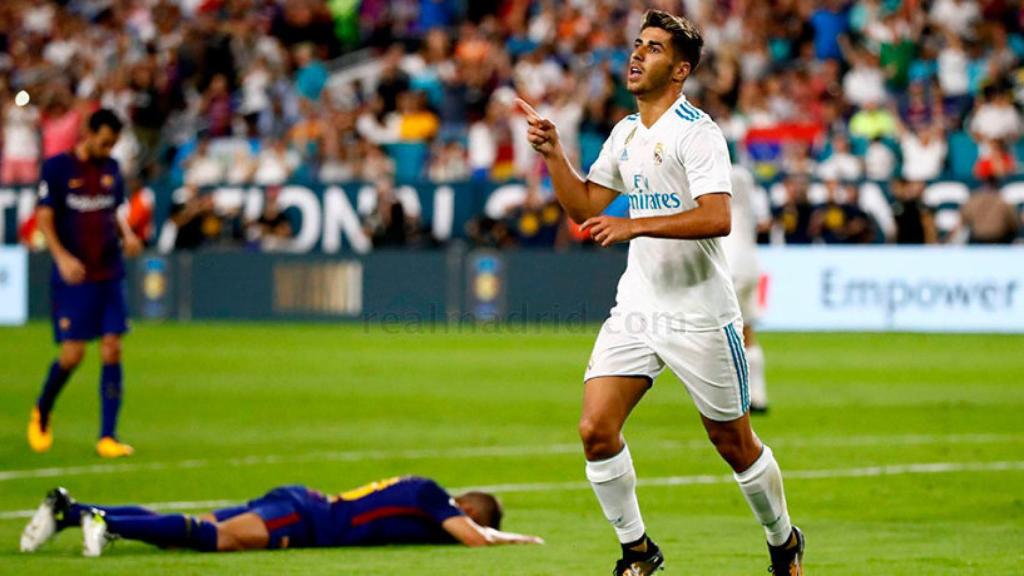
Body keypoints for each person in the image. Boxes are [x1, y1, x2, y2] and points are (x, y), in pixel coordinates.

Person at [518, 10, 803, 576]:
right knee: (595, 431)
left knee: (734, 443)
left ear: (680, 70)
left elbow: (717, 217)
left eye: (652, 49)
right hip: (639, 307)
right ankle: (638, 552)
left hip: (700, 314)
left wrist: (635, 224)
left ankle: (783, 538)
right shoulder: (625, 133)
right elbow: (582, 207)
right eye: (637, 44)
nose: (637, 55)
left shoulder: (697, 133)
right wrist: (553, 154)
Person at [20, 478, 543, 557]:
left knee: (192, 524)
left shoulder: (417, 490)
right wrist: (508, 537)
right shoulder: (435, 498)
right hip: (310, 519)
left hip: (301, 501)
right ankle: (109, 525)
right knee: (217, 540)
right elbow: (472, 540)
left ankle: (73, 512)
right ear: (471, 507)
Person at [27, 109, 142, 459]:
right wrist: (61, 257)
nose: (108, 149)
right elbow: (45, 218)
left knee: (112, 347)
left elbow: (113, 209)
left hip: (108, 270)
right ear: (88, 133)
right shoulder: (58, 168)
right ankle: (43, 409)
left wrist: (128, 233)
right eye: (104, 141)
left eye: (113, 144)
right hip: (75, 274)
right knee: (73, 354)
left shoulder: (110, 168)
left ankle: (107, 435)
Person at [721, 165, 769, 413]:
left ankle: (735, 398)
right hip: (750, 262)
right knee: (747, 330)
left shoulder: (720, 177)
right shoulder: (747, 182)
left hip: (730, 264)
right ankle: (758, 396)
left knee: (723, 333)